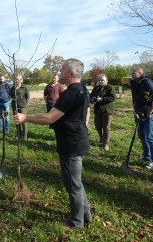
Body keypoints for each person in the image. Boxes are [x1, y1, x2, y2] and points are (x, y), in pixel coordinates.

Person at [14, 59, 92, 229]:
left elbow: (50, 117)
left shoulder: (70, 93)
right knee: (76, 181)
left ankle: (76, 221)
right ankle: (86, 215)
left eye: (63, 68)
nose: (60, 70)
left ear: (71, 74)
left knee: (72, 184)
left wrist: (25, 117)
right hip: (76, 139)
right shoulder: (83, 89)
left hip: (71, 142)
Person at [130, 68, 153, 169]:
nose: (131, 74)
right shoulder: (134, 83)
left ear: (140, 73)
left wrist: (149, 113)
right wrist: (135, 110)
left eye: (133, 73)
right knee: (142, 136)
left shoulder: (148, 83)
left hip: (149, 114)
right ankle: (147, 156)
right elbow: (135, 99)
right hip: (138, 114)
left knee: (150, 137)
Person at [89, 74, 116, 151]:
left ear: (106, 81)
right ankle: (101, 138)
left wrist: (102, 99)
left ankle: (106, 144)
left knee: (106, 128)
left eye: (102, 80)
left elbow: (113, 97)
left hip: (107, 111)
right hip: (97, 111)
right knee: (97, 126)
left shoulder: (109, 88)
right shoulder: (97, 88)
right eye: (99, 80)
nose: (100, 81)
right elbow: (91, 96)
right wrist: (92, 100)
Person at [11, 75, 30, 141]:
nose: (17, 80)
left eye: (18, 79)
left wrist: (25, 104)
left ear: (21, 80)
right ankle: (19, 135)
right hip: (14, 106)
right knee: (17, 121)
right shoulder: (13, 87)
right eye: (16, 79)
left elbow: (27, 96)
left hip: (22, 106)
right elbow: (10, 95)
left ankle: (25, 136)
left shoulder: (24, 87)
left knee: (23, 121)